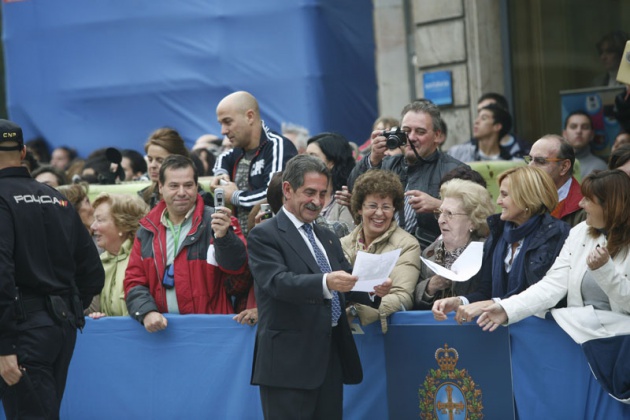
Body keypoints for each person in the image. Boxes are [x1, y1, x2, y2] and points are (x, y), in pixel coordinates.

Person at [247, 155, 392, 420]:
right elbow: (277, 283)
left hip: (329, 359)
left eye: (323, 194)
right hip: (287, 365)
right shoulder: (264, 235)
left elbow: (346, 280)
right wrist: (326, 282)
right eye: (309, 192)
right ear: (288, 190)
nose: (317, 201)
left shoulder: (326, 235)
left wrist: (372, 288)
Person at [0, 119, 104, 419]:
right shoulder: (57, 197)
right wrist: (66, 310)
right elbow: (93, 272)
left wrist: (5, 345)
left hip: (20, 333)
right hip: (57, 328)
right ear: (22, 153)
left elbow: (2, 276)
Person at [478, 170, 630, 332]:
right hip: (582, 336)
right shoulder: (580, 232)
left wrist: (605, 271)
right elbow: (553, 285)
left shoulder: (557, 232)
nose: (580, 204)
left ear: (609, 205)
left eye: (588, 199)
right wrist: (506, 308)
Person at [124, 155, 250, 332]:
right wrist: (146, 312)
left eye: (188, 185)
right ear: (160, 187)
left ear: (197, 186)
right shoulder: (146, 230)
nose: (182, 192)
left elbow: (239, 268)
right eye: (174, 186)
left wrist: (224, 237)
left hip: (213, 330)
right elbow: (133, 281)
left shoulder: (219, 221)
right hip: (162, 333)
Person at [432, 166, 570, 323]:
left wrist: (496, 304)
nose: (498, 201)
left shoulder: (556, 234)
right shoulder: (499, 233)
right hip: (501, 333)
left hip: (540, 333)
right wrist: (459, 302)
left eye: (504, 195)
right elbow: (486, 292)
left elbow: (540, 294)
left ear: (526, 198)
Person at [348, 99, 467, 249]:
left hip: (431, 255)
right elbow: (354, 189)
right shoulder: (386, 164)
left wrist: (439, 206)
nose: (411, 137)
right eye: (406, 131)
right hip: (381, 249)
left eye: (420, 132)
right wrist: (373, 159)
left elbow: (476, 218)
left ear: (437, 136)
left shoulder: (456, 170)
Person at [340, 169, 420, 332]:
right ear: (359, 208)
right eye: (372, 206)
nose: (379, 213)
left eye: (386, 207)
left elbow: (403, 296)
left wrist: (356, 311)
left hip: (382, 335)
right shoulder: (343, 244)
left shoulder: (407, 244)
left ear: (394, 210)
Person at [212, 91, 297, 236]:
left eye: (228, 122)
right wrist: (221, 174)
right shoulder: (239, 149)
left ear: (249, 116)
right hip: (241, 245)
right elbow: (223, 158)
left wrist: (235, 196)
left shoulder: (277, 146)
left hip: (274, 241)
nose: (223, 131)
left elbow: (272, 195)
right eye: (221, 124)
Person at [414, 179, 495, 310]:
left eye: (449, 214)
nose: (441, 220)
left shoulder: (486, 251)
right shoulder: (429, 252)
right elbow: (412, 302)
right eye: (440, 213)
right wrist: (430, 287)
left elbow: (490, 296)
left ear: (472, 222)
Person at [88, 193, 148, 318]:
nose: (93, 227)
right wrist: (96, 316)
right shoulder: (99, 263)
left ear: (123, 225)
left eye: (100, 220)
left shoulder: (145, 259)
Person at [525, 134, 585, 226]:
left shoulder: (585, 207)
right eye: (529, 159)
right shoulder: (523, 198)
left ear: (564, 167)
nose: (530, 166)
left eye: (540, 161)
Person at [306, 132, 356, 234]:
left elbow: (346, 236)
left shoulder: (345, 198)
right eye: (306, 155)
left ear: (331, 163)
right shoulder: (301, 193)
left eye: (313, 156)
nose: (306, 161)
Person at [448, 103, 515, 161]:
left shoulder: (509, 163)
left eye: (483, 118)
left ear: (497, 126)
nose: (476, 122)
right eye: (477, 117)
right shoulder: (457, 153)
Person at [562, 111, 607, 179]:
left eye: (585, 127)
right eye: (573, 127)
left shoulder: (600, 167)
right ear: (564, 134)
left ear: (592, 134)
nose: (579, 131)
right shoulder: (555, 164)